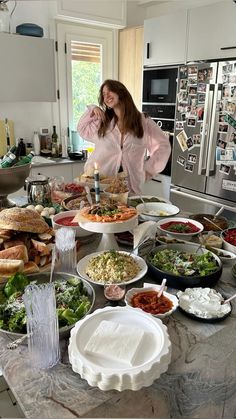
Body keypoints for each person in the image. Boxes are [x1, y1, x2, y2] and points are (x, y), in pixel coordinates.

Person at [77, 79, 171, 195]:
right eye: (103, 95)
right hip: (98, 187)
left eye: (109, 92)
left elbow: (163, 145)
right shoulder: (103, 122)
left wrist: (149, 169)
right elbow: (81, 128)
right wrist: (92, 108)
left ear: (120, 92)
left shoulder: (144, 122)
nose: (106, 96)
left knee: (128, 213)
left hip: (130, 189)